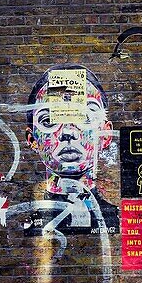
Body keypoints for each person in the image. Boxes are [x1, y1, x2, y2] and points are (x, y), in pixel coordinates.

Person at [25, 68, 119, 235]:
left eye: (86, 118)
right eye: (48, 121)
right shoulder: (27, 221)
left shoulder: (118, 219)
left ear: (106, 135)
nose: (68, 132)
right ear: (32, 139)